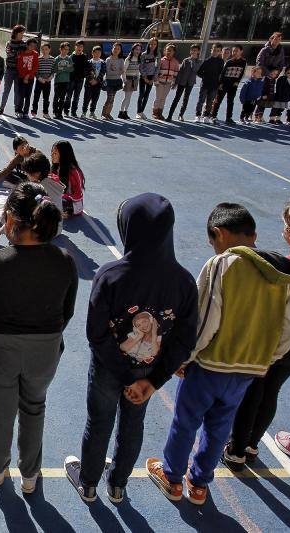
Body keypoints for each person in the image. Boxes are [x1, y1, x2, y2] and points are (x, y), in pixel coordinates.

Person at [147, 203, 290, 506]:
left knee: (186, 421)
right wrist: (267, 359)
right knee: (219, 425)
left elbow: (205, 321)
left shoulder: (222, 264)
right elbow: (287, 328)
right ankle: (199, 483)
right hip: (248, 369)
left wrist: (184, 358)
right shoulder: (282, 271)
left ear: (218, 234)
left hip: (211, 364)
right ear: (253, 235)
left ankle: (172, 477)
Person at [64, 193, 197, 504]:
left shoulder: (111, 275)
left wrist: (124, 375)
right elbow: (183, 340)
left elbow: (96, 334)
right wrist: (152, 381)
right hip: (148, 371)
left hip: (110, 368)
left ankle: (89, 483)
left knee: (99, 423)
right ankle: (118, 485)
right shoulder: (184, 282)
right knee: (133, 424)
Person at [0, 181, 75, 491]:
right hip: (45, 349)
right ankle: (30, 475)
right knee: (34, 407)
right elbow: (67, 311)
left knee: (0, 411)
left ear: (10, 219)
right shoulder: (65, 260)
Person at [221, 202, 290, 472]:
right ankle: (251, 445)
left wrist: (270, 350)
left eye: (287, 226)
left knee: (253, 392)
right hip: (288, 349)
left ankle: (236, 451)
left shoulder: (284, 268)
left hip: (276, 343)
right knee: (271, 391)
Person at [211, 44, 246, 125]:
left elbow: (242, 73)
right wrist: (220, 83)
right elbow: (222, 74)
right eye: (233, 51)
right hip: (224, 83)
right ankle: (213, 116)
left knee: (230, 101)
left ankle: (229, 117)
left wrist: (237, 81)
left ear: (241, 51)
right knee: (218, 100)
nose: (234, 52)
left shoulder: (244, 62)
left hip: (233, 85)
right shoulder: (229, 62)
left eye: (236, 51)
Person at [166, 44, 202, 122]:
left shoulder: (199, 62)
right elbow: (180, 72)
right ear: (190, 51)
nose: (193, 52)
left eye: (195, 50)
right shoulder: (186, 60)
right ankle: (170, 115)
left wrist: (193, 61)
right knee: (177, 98)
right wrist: (175, 82)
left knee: (186, 99)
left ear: (198, 51)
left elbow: (195, 70)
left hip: (190, 83)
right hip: (182, 82)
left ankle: (181, 115)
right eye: (192, 50)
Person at [0, 25, 28, 116]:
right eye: (21, 33)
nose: (22, 35)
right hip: (10, 70)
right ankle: (1, 108)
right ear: (16, 33)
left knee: (17, 90)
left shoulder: (24, 44)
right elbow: (9, 53)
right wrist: (18, 54)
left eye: (23, 33)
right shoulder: (9, 43)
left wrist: (17, 54)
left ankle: (17, 109)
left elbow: (23, 55)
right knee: (6, 90)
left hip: (19, 71)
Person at [51, 141, 85, 217]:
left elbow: (78, 195)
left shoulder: (74, 171)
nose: (52, 155)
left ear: (63, 155)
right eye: (52, 152)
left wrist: (62, 196)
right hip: (58, 198)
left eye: (55, 153)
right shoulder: (55, 168)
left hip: (72, 203)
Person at [195, 43, 224, 123]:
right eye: (214, 50)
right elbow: (199, 72)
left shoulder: (221, 62)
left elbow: (221, 73)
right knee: (201, 100)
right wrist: (205, 77)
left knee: (210, 101)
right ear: (211, 50)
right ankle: (198, 115)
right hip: (205, 85)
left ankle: (206, 115)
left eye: (217, 51)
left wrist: (219, 83)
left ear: (220, 52)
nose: (215, 52)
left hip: (214, 86)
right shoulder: (207, 61)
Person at [152, 44, 179, 120]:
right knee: (158, 98)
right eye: (167, 50)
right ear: (164, 51)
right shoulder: (161, 61)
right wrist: (156, 81)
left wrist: (174, 83)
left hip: (168, 84)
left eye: (170, 51)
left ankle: (160, 113)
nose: (168, 52)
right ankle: (155, 112)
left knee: (163, 98)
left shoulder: (176, 62)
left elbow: (176, 74)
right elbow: (156, 72)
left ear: (174, 52)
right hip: (160, 83)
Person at [135, 37, 159, 119]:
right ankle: (138, 112)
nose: (153, 46)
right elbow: (141, 67)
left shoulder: (157, 55)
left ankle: (141, 112)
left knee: (146, 95)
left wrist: (153, 79)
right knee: (141, 94)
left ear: (157, 45)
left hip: (152, 77)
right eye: (151, 44)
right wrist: (145, 77)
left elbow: (158, 67)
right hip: (143, 77)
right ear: (148, 44)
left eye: (155, 44)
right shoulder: (143, 55)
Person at [15, 38, 38, 118]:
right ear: (27, 45)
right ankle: (19, 111)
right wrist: (24, 77)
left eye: (34, 46)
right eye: (31, 45)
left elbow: (35, 67)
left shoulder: (35, 54)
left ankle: (25, 112)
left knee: (28, 96)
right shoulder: (21, 54)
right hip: (21, 78)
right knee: (21, 95)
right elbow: (19, 67)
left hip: (30, 78)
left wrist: (28, 76)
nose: (33, 47)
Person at [118, 43, 141, 120]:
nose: (138, 51)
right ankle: (121, 112)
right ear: (133, 50)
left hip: (134, 80)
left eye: (139, 49)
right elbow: (124, 71)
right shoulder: (128, 59)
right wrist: (124, 80)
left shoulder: (138, 59)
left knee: (129, 97)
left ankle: (125, 112)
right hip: (128, 80)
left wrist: (138, 77)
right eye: (136, 49)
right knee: (126, 97)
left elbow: (137, 70)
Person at [65, 40, 87, 117]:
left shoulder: (84, 57)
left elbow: (86, 68)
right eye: (78, 46)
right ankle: (66, 111)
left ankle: (73, 112)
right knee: (68, 96)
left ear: (83, 48)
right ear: (75, 47)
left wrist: (83, 76)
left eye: (81, 47)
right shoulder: (70, 57)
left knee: (76, 97)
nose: (79, 48)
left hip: (80, 80)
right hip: (71, 80)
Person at [32, 43, 55, 118]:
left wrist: (50, 78)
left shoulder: (52, 59)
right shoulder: (38, 59)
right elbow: (36, 71)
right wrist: (40, 78)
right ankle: (34, 112)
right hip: (39, 81)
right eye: (43, 49)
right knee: (36, 97)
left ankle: (45, 113)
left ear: (49, 50)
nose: (44, 51)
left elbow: (53, 71)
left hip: (47, 82)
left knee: (46, 98)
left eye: (46, 49)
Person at [51, 42, 73, 120]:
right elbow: (55, 70)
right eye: (64, 49)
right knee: (56, 97)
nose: (66, 51)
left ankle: (60, 113)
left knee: (62, 98)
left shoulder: (69, 58)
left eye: (67, 50)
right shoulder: (57, 59)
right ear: (60, 49)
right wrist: (65, 68)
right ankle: (55, 111)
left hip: (66, 81)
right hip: (58, 81)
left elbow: (71, 69)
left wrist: (63, 68)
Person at [82, 46, 104, 118]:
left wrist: (97, 81)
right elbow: (86, 72)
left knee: (95, 99)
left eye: (99, 53)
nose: (97, 54)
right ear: (92, 53)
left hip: (98, 84)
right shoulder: (88, 62)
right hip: (89, 84)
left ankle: (92, 112)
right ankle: (84, 112)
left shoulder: (103, 63)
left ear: (101, 53)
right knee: (86, 99)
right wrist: (91, 80)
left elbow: (102, 73)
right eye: (95, 52)